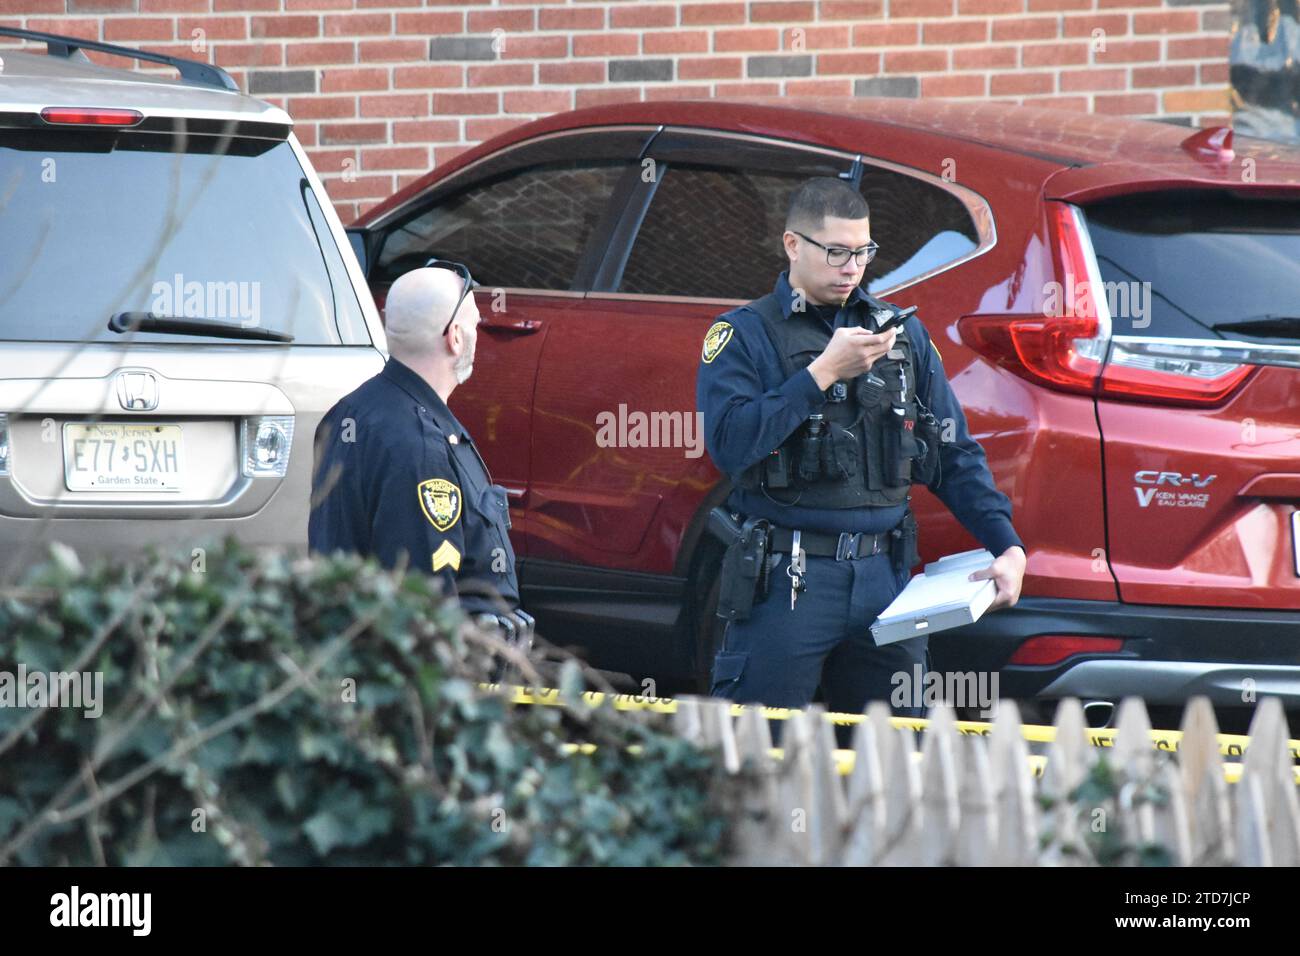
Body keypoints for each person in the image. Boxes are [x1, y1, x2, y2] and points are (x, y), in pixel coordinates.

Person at [696, 176, 1026, 719]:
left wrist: (1006, 545)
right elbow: (730, 446)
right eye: (836, 252)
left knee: (896, 760)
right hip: (788, 579)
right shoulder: (745, 334)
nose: (852, 268)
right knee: (762, 754)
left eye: (863, 252)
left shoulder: (899, 334)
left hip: (887, 580)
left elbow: (952, 453)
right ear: (793, 245)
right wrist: (822, 374)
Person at [309, 261, 533, 644]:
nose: (479, 336)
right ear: (455, 338)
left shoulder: (348, 413)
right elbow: (425, 599)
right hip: (419, 678)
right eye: (474, 325)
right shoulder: (422, 445)